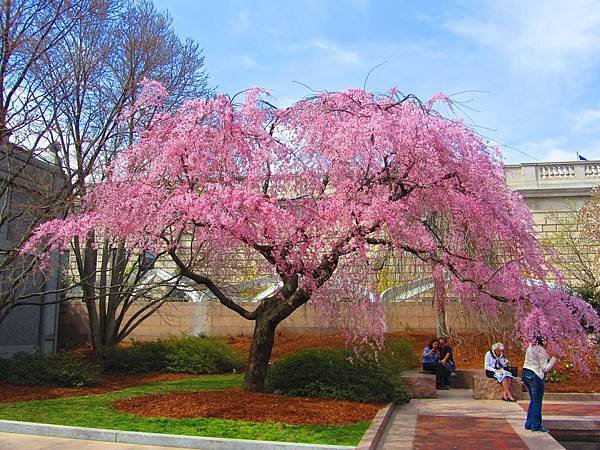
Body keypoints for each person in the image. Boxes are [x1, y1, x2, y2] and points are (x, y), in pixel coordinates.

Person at [522, 337, 557, 432]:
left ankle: (529, 423)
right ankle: (536, 425)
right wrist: (554, 358)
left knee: (533, 400)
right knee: (537, 401)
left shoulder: (530, 346)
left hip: (526, 373)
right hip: (535, 376)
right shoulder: (541, 350)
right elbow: (545, 368)